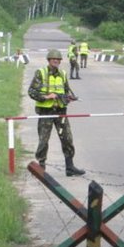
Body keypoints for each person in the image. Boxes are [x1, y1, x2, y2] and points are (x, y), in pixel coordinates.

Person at [28, 49, 85, 177]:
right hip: (46, 112)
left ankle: (70, 167)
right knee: (43, 140)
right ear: (49, 60)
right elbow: (31, 92)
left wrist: (68, 98)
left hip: (60, 111)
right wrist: (47, 97)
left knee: (67, 139)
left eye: (58, 59)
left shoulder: (63, 74)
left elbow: (66, 91)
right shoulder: (41, 73)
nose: (56, 61)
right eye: (54, 59)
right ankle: (40, 168)